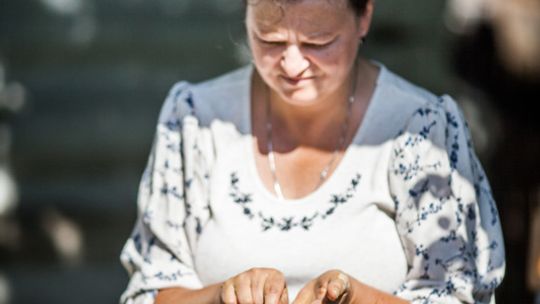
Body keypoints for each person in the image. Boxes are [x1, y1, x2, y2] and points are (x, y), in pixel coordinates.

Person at [119, 0, 505, 303]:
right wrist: (221, 296)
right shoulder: (195, 120)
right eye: (269, 39)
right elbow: (151, 289)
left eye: (317, 42)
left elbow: (457, 295)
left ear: (364, 17)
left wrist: (356, 298)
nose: (291, 64)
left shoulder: (422, 129)